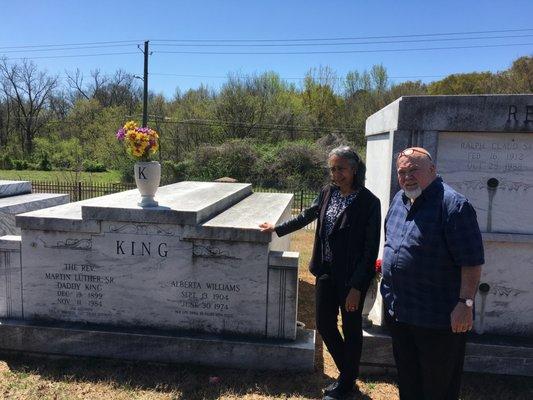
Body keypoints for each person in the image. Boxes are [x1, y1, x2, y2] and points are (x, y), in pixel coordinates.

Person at [260, 145, 380, 400]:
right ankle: (349, 372)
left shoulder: (369, 202)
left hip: (351, 279)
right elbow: (307, 215)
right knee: (325, 325)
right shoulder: (327, 192)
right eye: (333, 169)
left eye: (341, 169)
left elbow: (370, 250)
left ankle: (346, 381)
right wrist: (277, 228)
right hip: (325, 272)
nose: (336, 174)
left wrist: (357, 287)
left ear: (354, 169)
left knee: (351, 327)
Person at [380, 147, 484, 400]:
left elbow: (471, 262)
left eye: (414, 169)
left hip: (438, 319)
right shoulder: (399, 200)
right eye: (401, 172)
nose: (407, 177)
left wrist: (465, 304)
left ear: (433, 170)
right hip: (401, 312)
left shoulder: (454, 206)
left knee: (438, 387)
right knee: (408, 379)